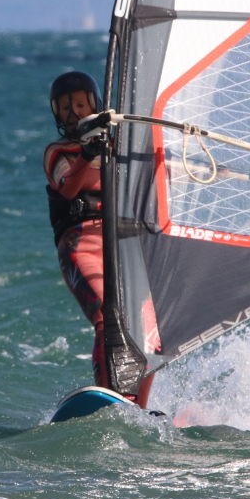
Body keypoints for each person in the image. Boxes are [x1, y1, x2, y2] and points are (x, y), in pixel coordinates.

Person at [43, 71, 154, 407]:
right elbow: (68, 188)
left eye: (80, 104)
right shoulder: (58, 152)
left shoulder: (119, 148)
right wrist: (88, 154)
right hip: (82, 243)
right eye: (66, 107)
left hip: (125, 244)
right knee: (109, 316)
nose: (74, 113)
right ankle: (111, 395)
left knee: (150, 329)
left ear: (94, 105)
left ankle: (138, 405)